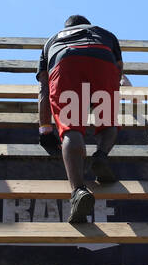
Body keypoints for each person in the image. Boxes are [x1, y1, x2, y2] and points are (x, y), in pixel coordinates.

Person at [36, 15, 123, 223]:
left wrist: (45, 129)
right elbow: (118, 71)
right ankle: (101, 156)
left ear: (66, 27)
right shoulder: (105, 33)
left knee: (71, 128)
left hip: (65, 62)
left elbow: (44, 89)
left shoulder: (52, 40)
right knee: (108, 119)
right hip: (103, 61)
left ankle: (78, 192)